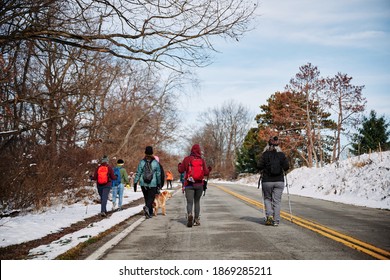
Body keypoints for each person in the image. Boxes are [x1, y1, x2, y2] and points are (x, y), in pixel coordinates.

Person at [257, 136, 290, 226]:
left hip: (267, 181)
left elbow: (259, 166)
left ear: (268, 145)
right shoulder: (282, 155)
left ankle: (269, 216)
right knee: (277, 201)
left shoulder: (265, 155)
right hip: (279, 181)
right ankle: (276, 221)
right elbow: (286, 167)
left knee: (267, 199)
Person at [178, 144, 211, 227]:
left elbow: (180, 170)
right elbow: (206, 173)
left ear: (191, 150)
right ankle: (196, 220)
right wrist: (209, 169)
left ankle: (189, 214)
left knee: (189, 202)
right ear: (199, 151)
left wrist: (179, 165)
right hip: (199, 184)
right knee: (197, 202)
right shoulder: (201, 160)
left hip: (189, 184)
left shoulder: (187, 159)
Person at [133, 146, 161, 218]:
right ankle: (147, 208)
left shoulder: (142, 162)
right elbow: (158, 174)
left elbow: (138, 172)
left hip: (143, 183)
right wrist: (159, 183)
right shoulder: (155, 162)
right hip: (153, 183)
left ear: (145, 152)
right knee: (151, 198)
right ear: (152, 153)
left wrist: (135, 182)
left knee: (146, 197)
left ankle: (149, 212)